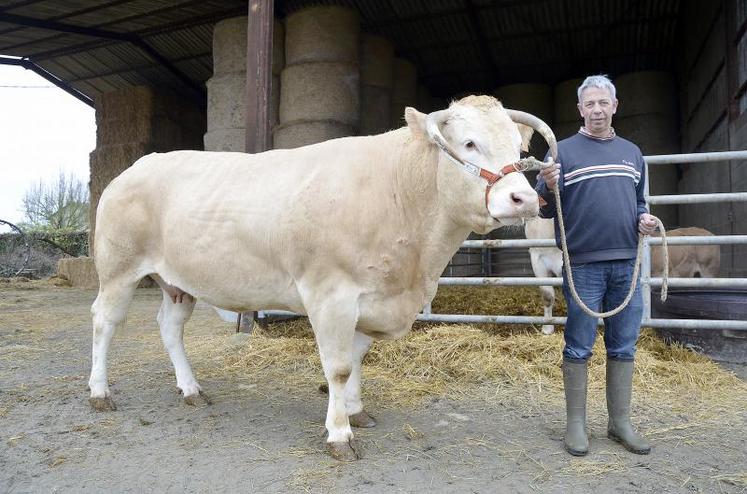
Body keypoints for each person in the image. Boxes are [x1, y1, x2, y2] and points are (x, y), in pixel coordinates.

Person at [536, 75, 657, 456]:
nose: (597, 110)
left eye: (603, 102)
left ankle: (619, 422)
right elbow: (541, 206)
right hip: (583, 265)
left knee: (623, 346)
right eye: (590, 104)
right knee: (578, 346)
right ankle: (576, 425)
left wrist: (645, 219)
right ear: (580, 110)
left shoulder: (632, 153)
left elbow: (639, 202)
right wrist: (546, 182)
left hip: (626, 264)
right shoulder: (561, 153)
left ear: (615, 106)